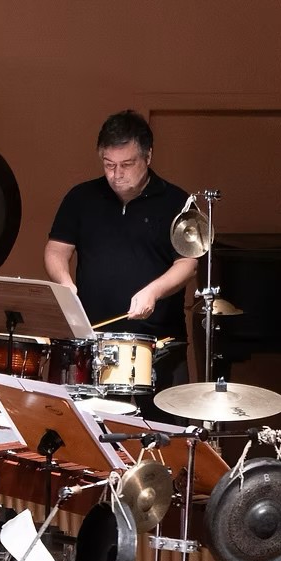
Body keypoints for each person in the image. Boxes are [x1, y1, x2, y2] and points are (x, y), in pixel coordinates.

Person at [44, 109, 197, 401]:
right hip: (93, 342)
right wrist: (64, 283)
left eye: (127, 164)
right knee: (91, 424)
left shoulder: (177, 202)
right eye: (109, 164)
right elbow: (56, 250)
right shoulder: (81, 198)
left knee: (162, 426)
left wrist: (153, 291)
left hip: (159, 343)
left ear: (148, 156)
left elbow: (188, 263)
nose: (116, 174)